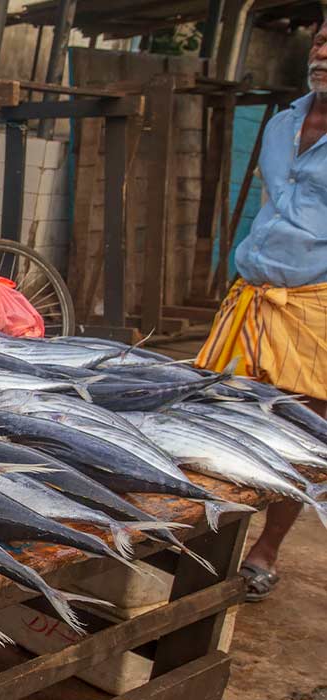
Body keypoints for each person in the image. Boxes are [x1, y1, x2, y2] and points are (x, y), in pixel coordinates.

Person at [196, 22, 327, 602]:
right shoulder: (282, 123)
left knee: (304, 433)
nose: (322, 53)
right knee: (215, 419)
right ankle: (207, 537)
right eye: (321, 40)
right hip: (251, 295)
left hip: (316, 303)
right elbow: (273, 205)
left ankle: (266, 547)